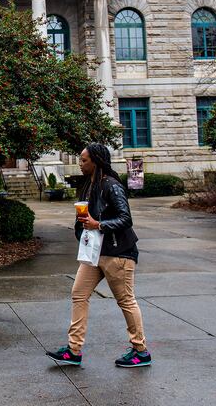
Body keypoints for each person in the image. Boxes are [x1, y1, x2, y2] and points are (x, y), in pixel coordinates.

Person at [47, 143, 151, 367]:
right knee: (78, 294)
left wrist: (98, 225)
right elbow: (86, 219)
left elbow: (126, 218)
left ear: (96, 161)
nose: (80, 163)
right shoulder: (87, 186)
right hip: (94, 253)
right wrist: (82, 228)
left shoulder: (111, 185)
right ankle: (74, 350)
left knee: (125, 300)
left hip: (118, 252)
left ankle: (140, 350)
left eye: (84, 160)